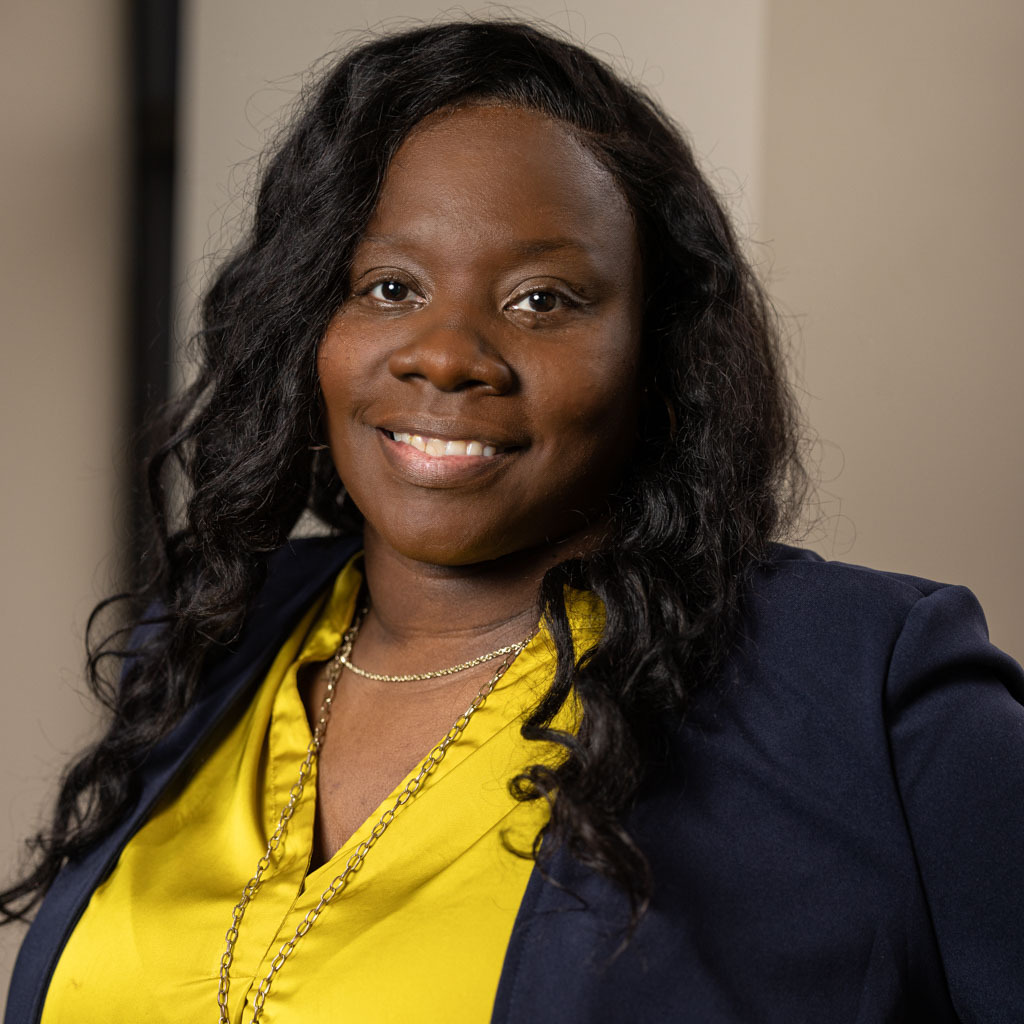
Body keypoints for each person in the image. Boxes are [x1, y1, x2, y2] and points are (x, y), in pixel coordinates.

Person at [4, 19, 1023, 1024]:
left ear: (656, 357)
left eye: (542, 299)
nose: (446, 354)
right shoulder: (203, 643)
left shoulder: (867, 691)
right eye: (389, 287)